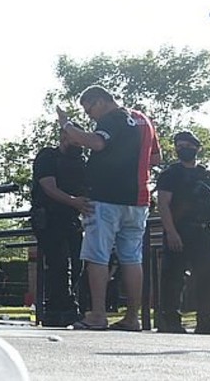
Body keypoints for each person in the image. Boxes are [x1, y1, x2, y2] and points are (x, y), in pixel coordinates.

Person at [57, 85, 160, 331]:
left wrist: (67, 125)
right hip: (138, 200)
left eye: (89, 110)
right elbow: (156, 158)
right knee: (132, 258)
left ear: (100, 101)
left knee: (97, 255)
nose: (90, 116)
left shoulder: (113, 118)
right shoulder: (143, 120)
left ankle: (98, 314)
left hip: (106, 198)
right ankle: (132, 317)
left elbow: (96, 143)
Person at [156, 131, 210, 335]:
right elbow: (163, 204)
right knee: (174, 277)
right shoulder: (170, 174)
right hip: (180, 230)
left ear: (197, 147)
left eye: (187, 145)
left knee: (207, 276)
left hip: (204, 232)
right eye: (179, 146)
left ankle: (205, 321)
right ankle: (171, 322)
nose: (183, 149)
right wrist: (171, 232)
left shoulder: (207, 175)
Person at [31, 128, 93, 327]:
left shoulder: (82, 162)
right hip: (49, 217)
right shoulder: (48, 156)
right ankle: (57, 309)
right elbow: (48, 187)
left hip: (71, 218)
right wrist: (74, 201)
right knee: (58, 263)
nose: (79, 144)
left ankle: (65, 304)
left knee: (77, 263)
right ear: (64, 137)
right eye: (75, 140)